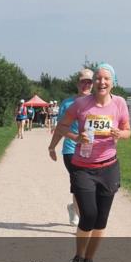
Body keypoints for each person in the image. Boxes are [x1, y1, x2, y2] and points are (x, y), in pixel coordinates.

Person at [48, 64, 130, 262]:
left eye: (106, 79)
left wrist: (119, 134)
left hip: (109, 167)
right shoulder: (81, 104)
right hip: (83, 168)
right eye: (98, 78)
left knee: (101, 220)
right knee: (89, 215)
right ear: (94, 82)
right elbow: (62, 126)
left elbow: (128, 131)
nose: (102, 82)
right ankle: (78, 258)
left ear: (113, 82)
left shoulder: (119, 103)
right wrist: (77, 137)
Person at [48, 69, 95, 226]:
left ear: (93, 84)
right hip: (71, 150)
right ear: (77, 83)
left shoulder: (97, 103)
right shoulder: (68, 103)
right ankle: (84, 225)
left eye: (89, 81)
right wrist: (52, 147)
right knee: (79, 186)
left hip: (92, 152)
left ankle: (74, 208)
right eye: (83, 81)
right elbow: (60, 128)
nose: (86, 85)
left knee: (90, 187)